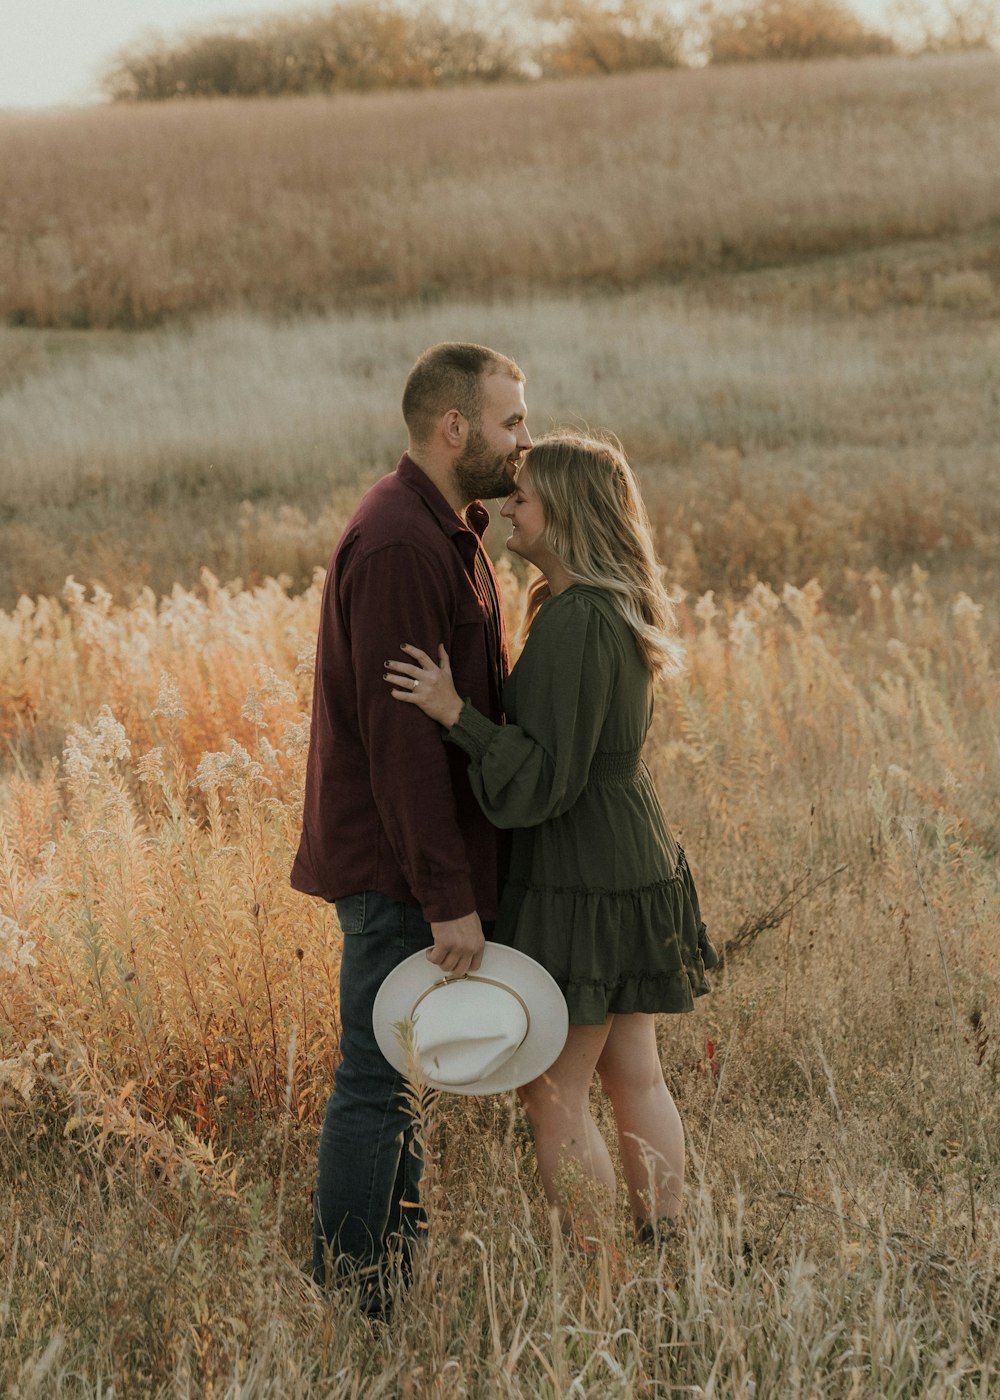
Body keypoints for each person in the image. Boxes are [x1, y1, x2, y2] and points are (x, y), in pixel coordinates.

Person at [384, 432, 718, 1246]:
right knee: (634, 1073)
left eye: (523, 498)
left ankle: (601, 1277)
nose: (507, 507)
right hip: (633, 852)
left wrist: (454, 714)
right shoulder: (613, 605)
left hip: (583, 867)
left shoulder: (575, 621)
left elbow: (543, 779)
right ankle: (665, 1250)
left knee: (552, 1090)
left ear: (564, 515)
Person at [291, 342, 532, 1305]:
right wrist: (448, 898)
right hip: (394, 870)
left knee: (400, 1070)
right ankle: (353, 1298)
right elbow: (400, 750)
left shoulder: (449, 527)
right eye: (512, 421)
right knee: (374, 1079)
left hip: (411, 869)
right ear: (455, 427)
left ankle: (389, 1280)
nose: (527, 440)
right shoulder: (399, 542)